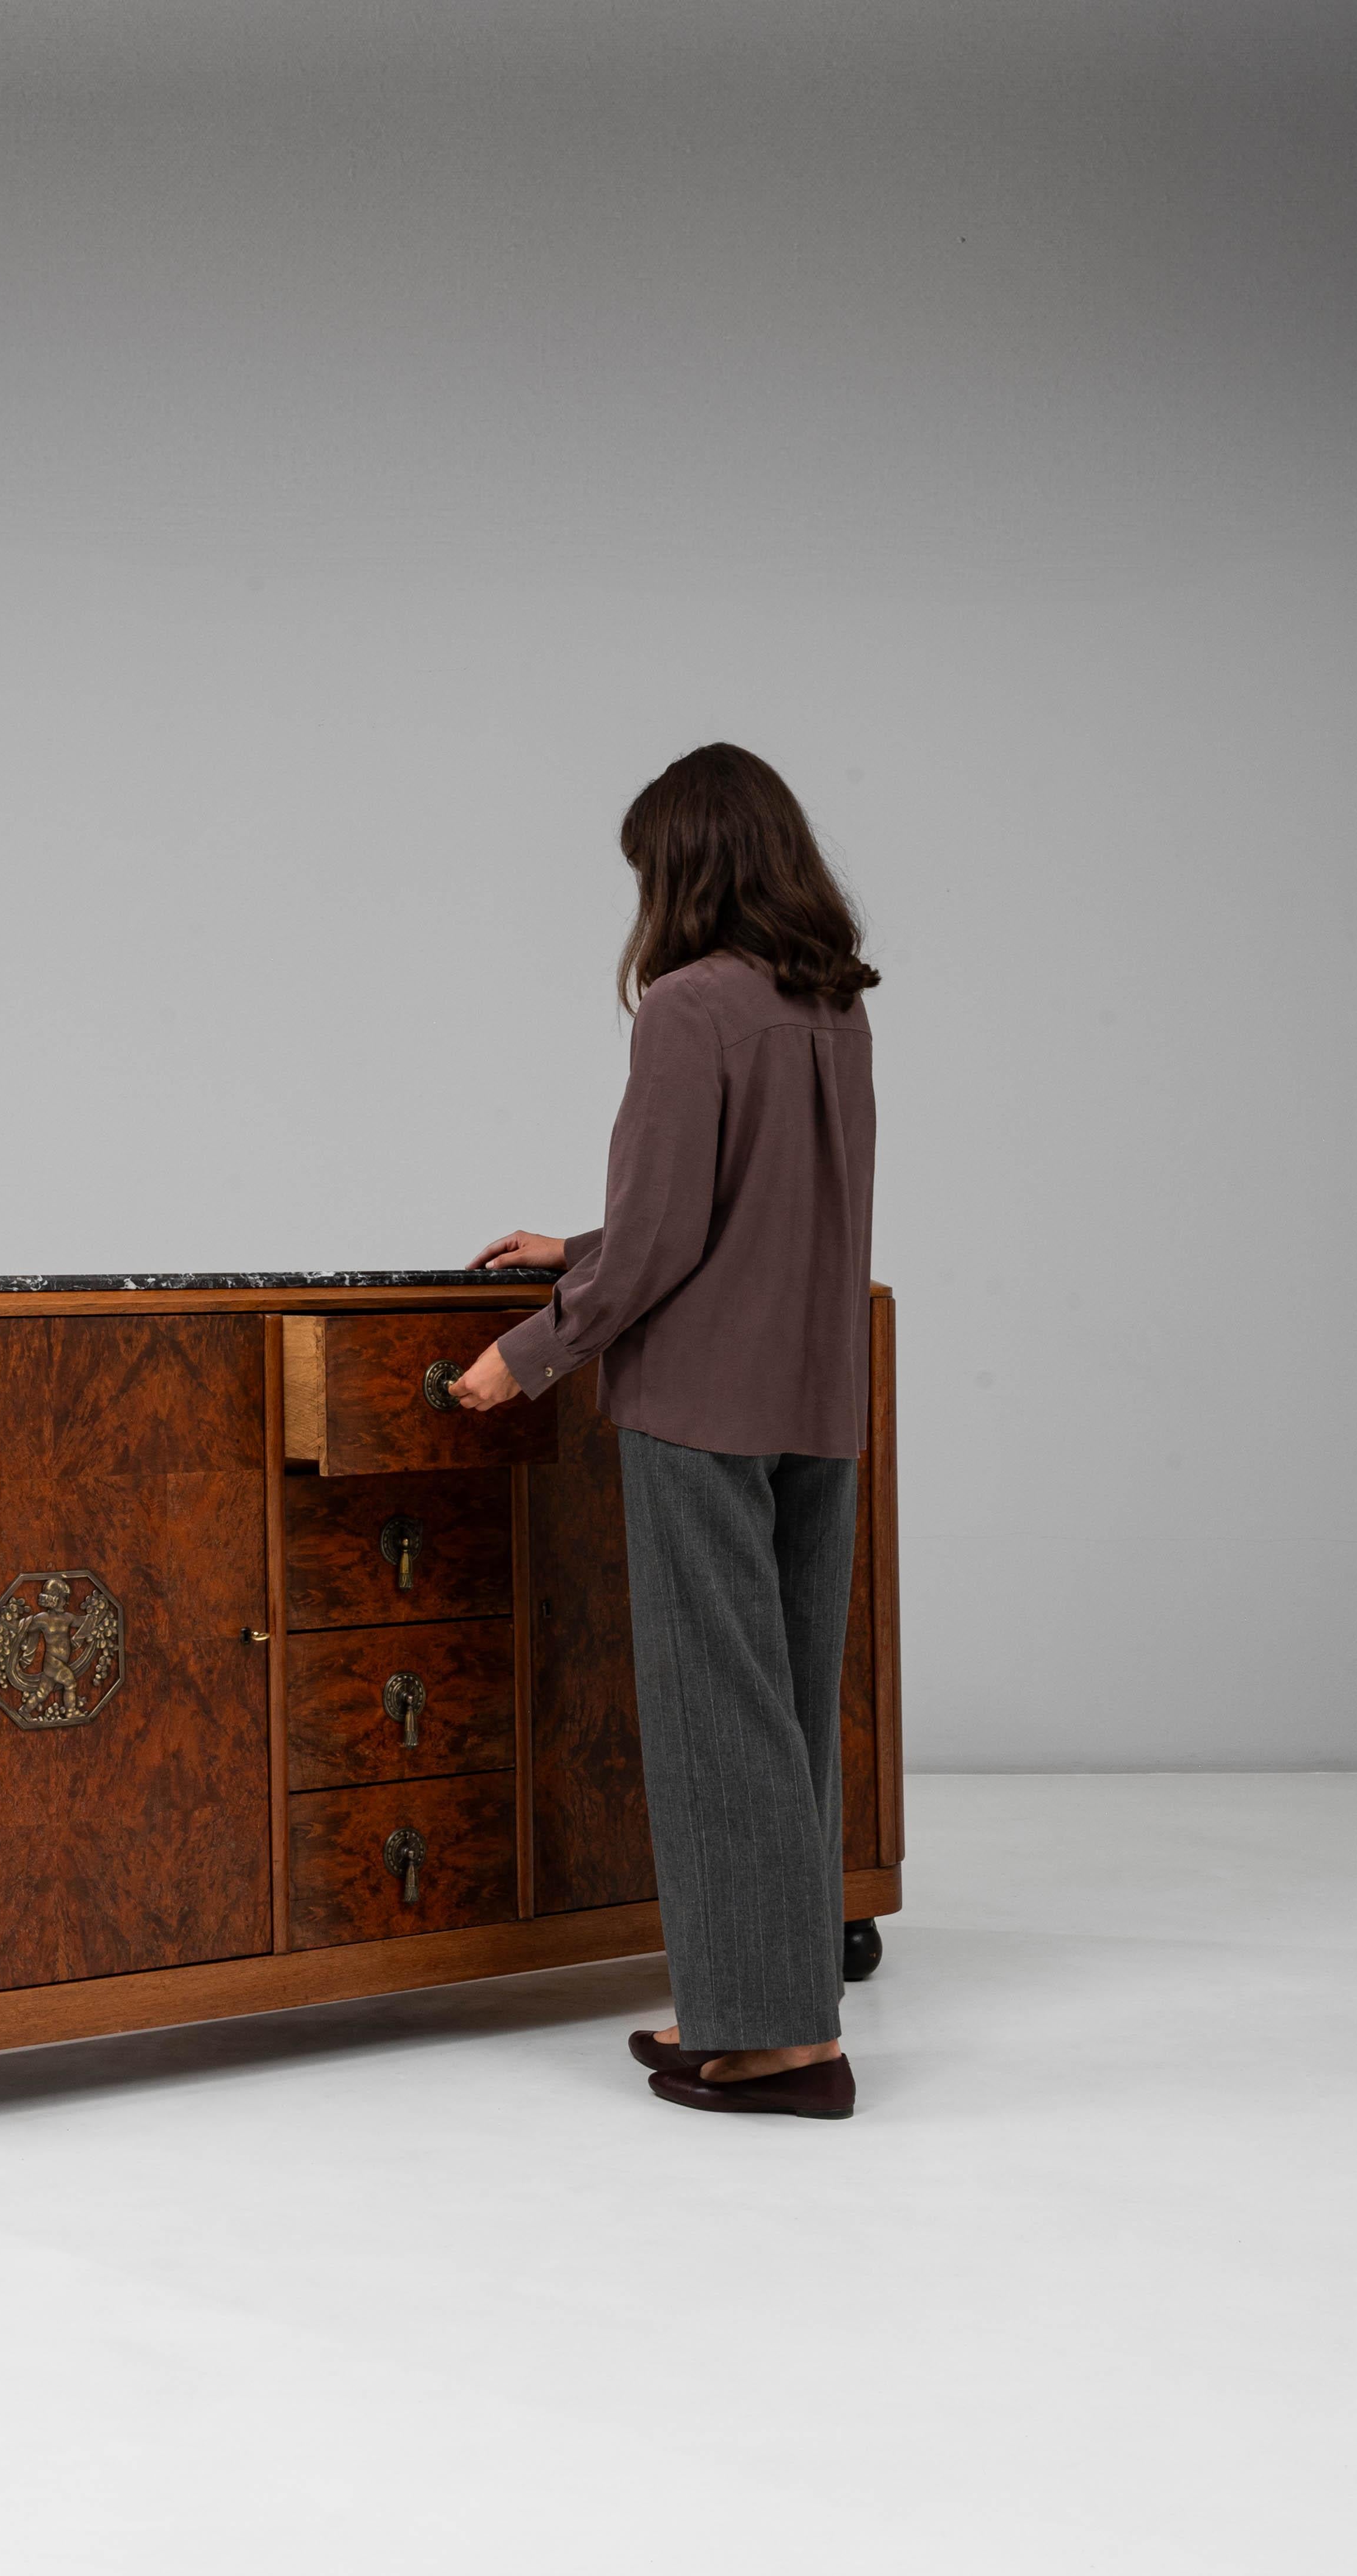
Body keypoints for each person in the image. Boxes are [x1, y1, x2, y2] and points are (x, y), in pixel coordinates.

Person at [455, 742, 879, 2121]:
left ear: (682, 866)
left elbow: (661, 1241)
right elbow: (756, 1208)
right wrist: (576, 1239)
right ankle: (756, 2003)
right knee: (788, 1707)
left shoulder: (688, 1007)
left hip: (698, 1401)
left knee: (715, 1716)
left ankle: (775, 2042)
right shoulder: (829, 1009)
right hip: (815, 1396)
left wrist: (524, 1355)